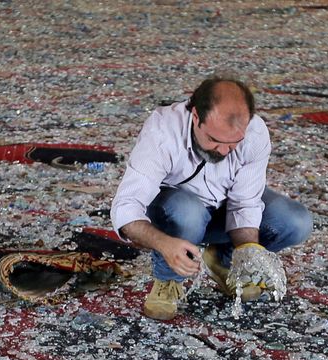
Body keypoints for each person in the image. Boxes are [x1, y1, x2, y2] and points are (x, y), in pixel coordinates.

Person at [110, 77, 313, 321]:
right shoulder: (163, 130)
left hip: (220, 211)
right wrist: (165, 245)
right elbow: (126, 207)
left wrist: (248, 249)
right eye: (214, 140)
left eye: (233, 143)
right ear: (196, 117)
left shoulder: (255, 132)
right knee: (188, 212)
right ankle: (168, 279)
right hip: (175, 214)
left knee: (295, 221)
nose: (224, 151)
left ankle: (223, 260)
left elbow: (245, 202)